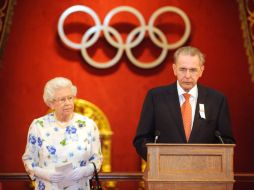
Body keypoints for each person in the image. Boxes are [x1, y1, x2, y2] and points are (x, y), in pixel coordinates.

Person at [133, 46, 235, 161]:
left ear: (201, 71)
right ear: (174, 69)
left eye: (192, 70)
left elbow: (226, 141)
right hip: (165, 174)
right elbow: (141, 139)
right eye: (182, 69)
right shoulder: (156, 97)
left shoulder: (217, 100)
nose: (187, 76)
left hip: (204, 173)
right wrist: (159, 161)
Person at [22, 77, 103, 190]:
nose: (68, 103)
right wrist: (45, 174)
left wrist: (85, 170)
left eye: (70, 98)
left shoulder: (88, 125)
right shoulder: (38, 126)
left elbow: (97, 159)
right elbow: (28, 159)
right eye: (62, 99)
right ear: (51, 103)